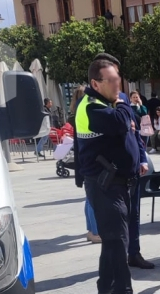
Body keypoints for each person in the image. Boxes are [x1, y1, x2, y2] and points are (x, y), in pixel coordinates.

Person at [75, 59, 139, 294]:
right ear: (95, 83)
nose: (118, 85)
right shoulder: (92, 107)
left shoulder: (106, 103)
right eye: (111, 81)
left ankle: (105, 283)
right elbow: (122, 122)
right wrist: (124, 104)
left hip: (118, 183)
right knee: (117, 239)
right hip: (105, 185)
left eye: (118, 79)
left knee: (112, 238)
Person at [92, 53, 154, 270]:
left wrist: (142, 157)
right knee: (117, 219)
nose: (117, 82)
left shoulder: (125, 100)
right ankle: (114, 264)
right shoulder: (96, 104)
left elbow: (135, 130)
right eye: (113, 77)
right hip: (112, 173)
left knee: (134, 213)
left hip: (133, 169)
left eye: (118, 77)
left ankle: (134, 253)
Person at [70, 85, 101, 244]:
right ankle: (94, 231)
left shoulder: (76, 113)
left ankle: (91, 228)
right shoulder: (85, 111)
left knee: (89, 198)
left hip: (82, 160)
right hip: (88, 161)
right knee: (91, 198)